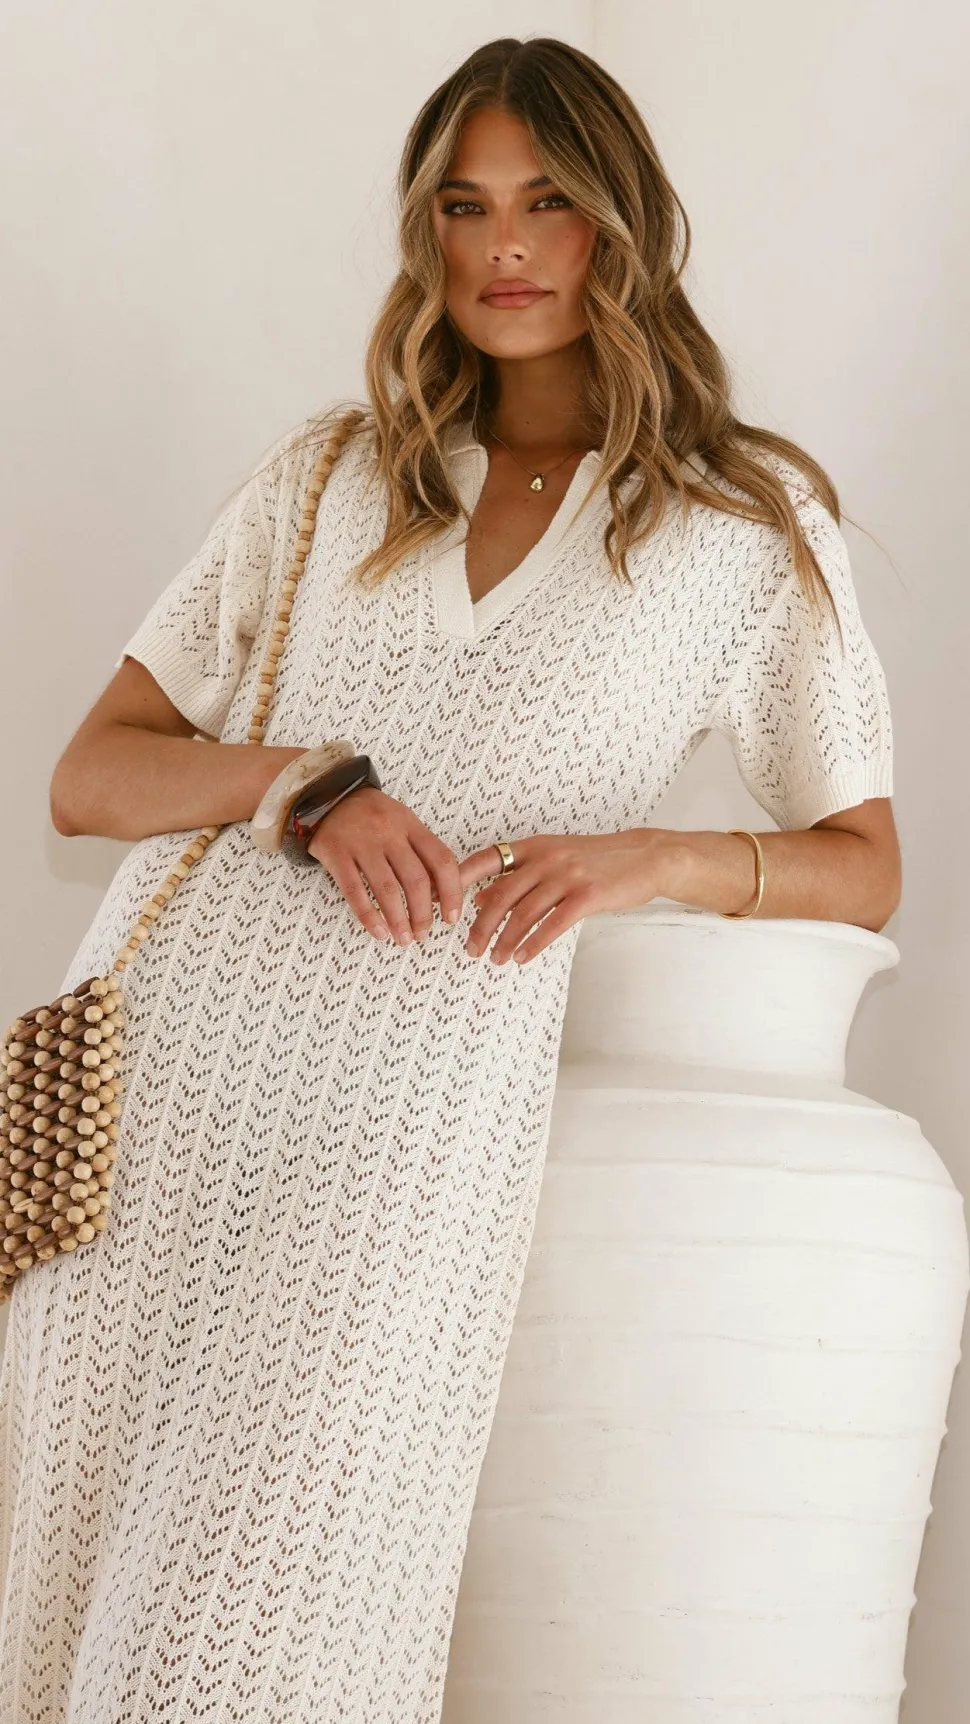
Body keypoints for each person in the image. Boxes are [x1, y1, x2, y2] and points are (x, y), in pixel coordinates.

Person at [0, 34, 900, 1724]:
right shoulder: (330, 479)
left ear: (621, 223)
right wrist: (299, 785)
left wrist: (650, 858)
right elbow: (90, 773)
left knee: (258, 1625)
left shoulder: (740, 520)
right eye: (463, 206)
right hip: (173, 1086)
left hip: (413, 1119)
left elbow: (861, 867)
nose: (504, 246)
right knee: (61, 1601)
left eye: (546, 202)